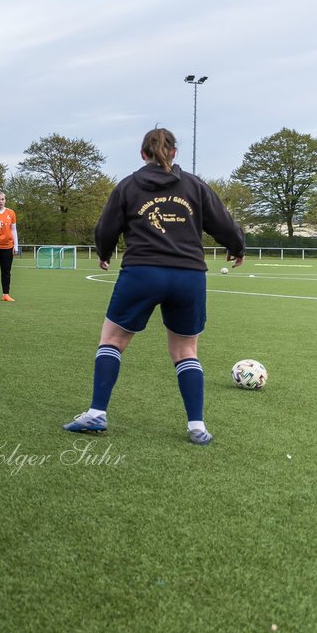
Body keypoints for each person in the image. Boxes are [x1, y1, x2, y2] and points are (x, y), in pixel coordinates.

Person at [64, 127, 245, 445]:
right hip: (188, 275)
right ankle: (197, 427)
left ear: (142, 154)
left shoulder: (128, 186)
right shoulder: (194, 185)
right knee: (185, 350)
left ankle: (97, 413)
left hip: (142, 273)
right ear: (174, 152)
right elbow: (223, 221)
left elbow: (106, 227)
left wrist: (104, 253)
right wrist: (236, 246)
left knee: (113, 340)